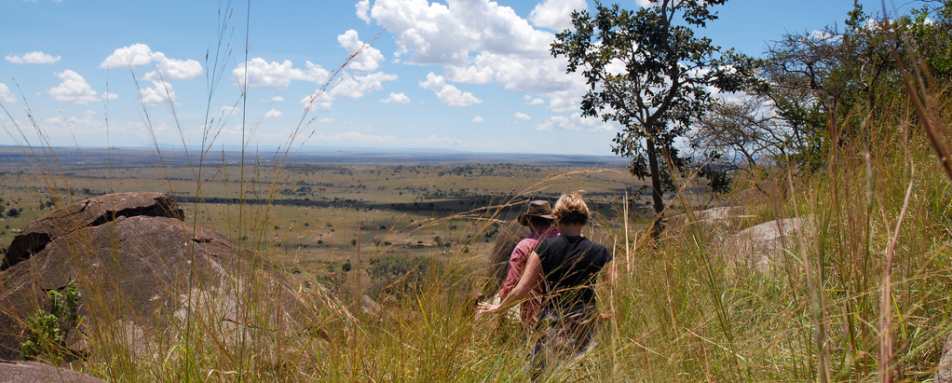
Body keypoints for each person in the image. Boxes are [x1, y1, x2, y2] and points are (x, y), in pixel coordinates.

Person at [478, 192, 614, 379]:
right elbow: (614, 289)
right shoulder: (601, 252)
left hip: (552, 325)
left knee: (541, 374)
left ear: (557, 217)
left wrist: (499, 308)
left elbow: (521, 289)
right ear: (584, 218)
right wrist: (606, 313)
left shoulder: (544, 248)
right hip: (586, 326)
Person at [495, 200, 558, 329]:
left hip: (533, 315)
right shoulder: (564, 241)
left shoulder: (524, 247)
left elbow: (511, 283)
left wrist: (500, 310)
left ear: (529, 221)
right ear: (550, 220)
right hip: (567, 313)